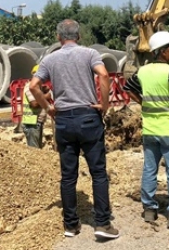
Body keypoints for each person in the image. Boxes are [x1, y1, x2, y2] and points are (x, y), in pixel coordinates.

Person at [29, 19, 119, 240]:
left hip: (64, 121)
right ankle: (102, 224)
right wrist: (105, 104)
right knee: (98, 173)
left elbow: (33, 86)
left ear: (58, 38)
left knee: (68, 177)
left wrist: (48, 107)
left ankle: (70, 225)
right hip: (88, 116)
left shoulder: (50, 59)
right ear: (78, 36)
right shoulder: (89, 54)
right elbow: (104, 75)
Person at [123, 31, 169, 230]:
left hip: (150, 130)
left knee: (150, 169)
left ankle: (149, 209)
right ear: (162, 52)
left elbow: (128, 87)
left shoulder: (143, 71)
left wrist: (143, 102)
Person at [21, 65, 52, 148]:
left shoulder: (39, 88)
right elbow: (34, 104)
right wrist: (47, 96)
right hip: (31, 123)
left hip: (37, 123)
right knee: (34, 151)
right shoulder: (30, 87)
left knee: (38, 150)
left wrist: (44, 91)